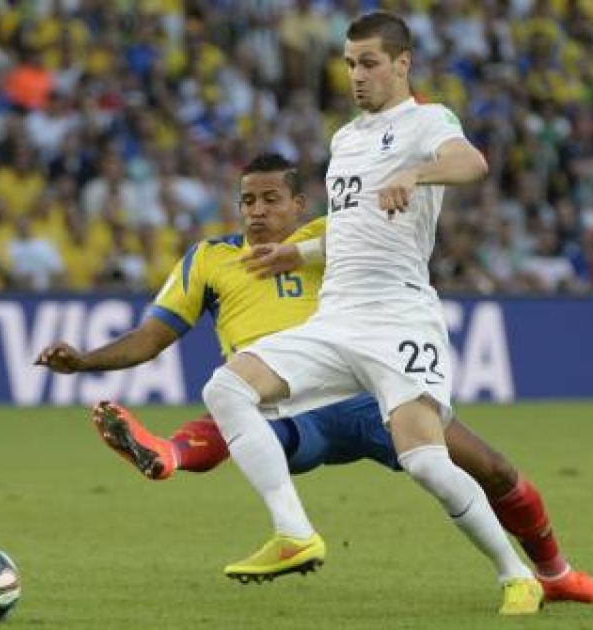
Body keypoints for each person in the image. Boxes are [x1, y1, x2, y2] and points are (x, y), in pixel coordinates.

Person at [37, 152, 593, 606]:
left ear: (300, 205)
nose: (257, 211)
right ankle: (167, 455)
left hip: (371, 392)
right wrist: (84, 362)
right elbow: (151, 337)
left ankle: (556, 576)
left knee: (495, 470)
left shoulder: (334, 238)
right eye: (247, 201)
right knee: (238, 405)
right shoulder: (210, 258)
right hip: (291, 406)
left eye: (271, 199)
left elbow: (392, 240)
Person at [207, 11, 540, 614]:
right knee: (226, 388)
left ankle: (515, 574)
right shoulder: (346, 140)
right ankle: (294, 533)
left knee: (427, 464)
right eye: (349, 64)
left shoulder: (427, 121)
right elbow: (355, 225)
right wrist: (298, 252)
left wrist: (417, 172)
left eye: (369, 63)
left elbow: (472, 164)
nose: (357, 75)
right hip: (337, 319)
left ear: (402, 64)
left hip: (398, 318)